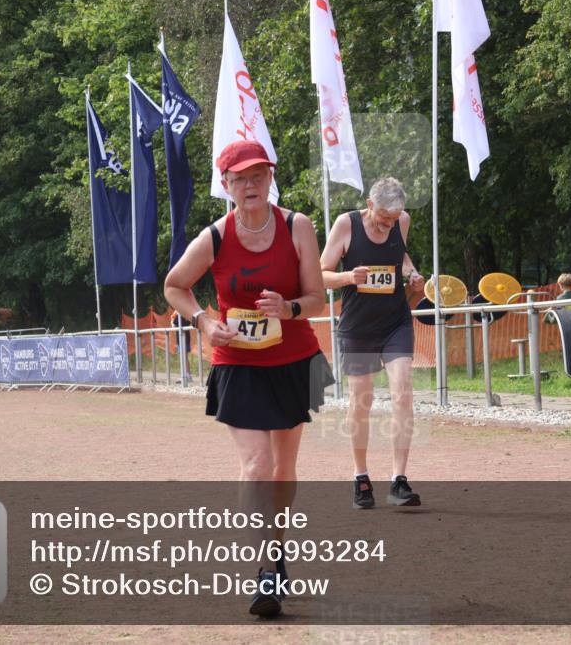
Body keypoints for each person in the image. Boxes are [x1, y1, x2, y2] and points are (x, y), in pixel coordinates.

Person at [163, 140, 331, 618]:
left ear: (269, 178)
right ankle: (264, 567)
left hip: (293, 359)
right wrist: (203, 321)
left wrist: (290, 307)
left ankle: (277, 548)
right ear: (227, 186)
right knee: (256, 465)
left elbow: (317, 298)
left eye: (259, 175)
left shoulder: (297, 226)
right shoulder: (214, 237)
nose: (252, 184)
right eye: (241, 177)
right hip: (237, 363)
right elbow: (174, 286)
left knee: (282, 469)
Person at [319, 177, 426, 510]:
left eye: (394, 219)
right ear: (369, 205)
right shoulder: (346, 225)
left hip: (395, 322)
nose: (388, 225)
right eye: (383, 218)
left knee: (403, 392)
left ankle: (399, 480)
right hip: (358, 327)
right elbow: (321, 272)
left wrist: (411, 272)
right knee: (361, 400)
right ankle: (360, 476)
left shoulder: (401, 222)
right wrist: (349, 277)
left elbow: (400, 255)